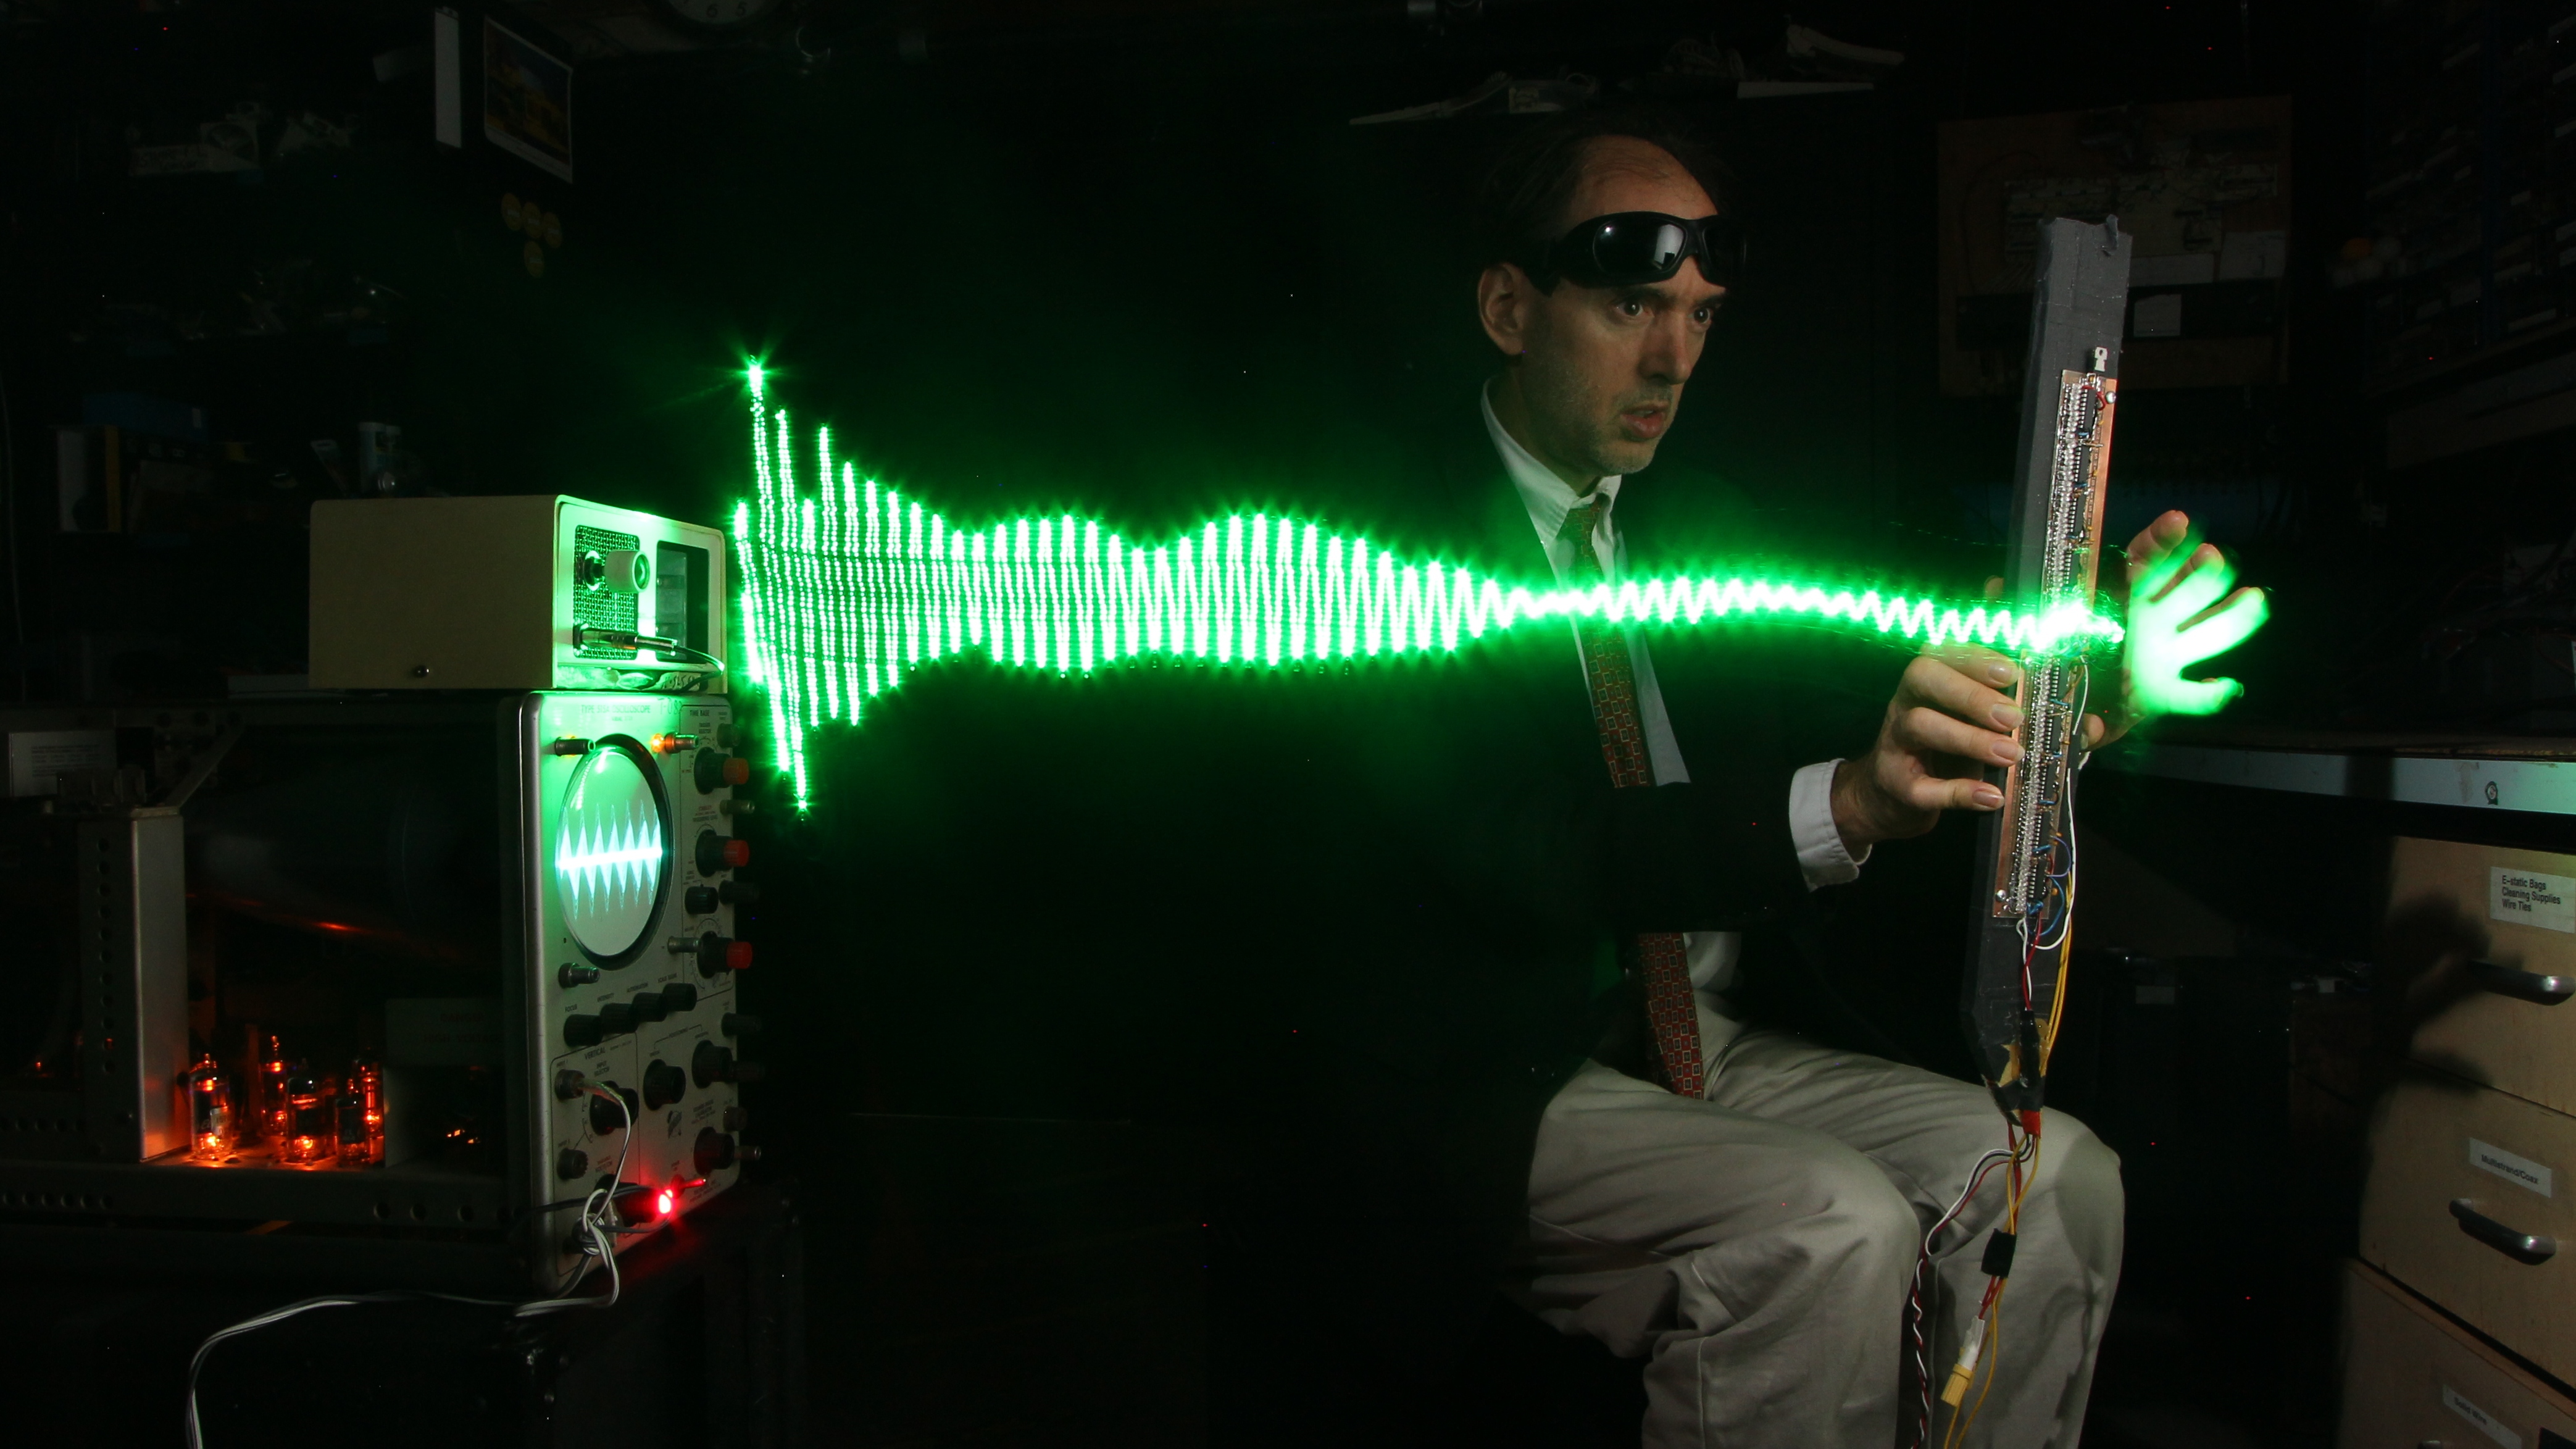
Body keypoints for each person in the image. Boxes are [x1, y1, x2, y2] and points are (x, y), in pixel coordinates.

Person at [1208, 106, 2253, 1448]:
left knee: (2052, 1182)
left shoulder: (1701, 527)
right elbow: (1532, 846)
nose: (1672, 358)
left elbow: (1852, 717)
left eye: (1699, 316)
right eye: (1632, 307)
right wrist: (1850, 800)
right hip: (1493, 1068)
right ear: (1509, 308)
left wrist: (2084, 694)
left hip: (1705, 1036)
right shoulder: (1367, 544)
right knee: (1827, 1225)